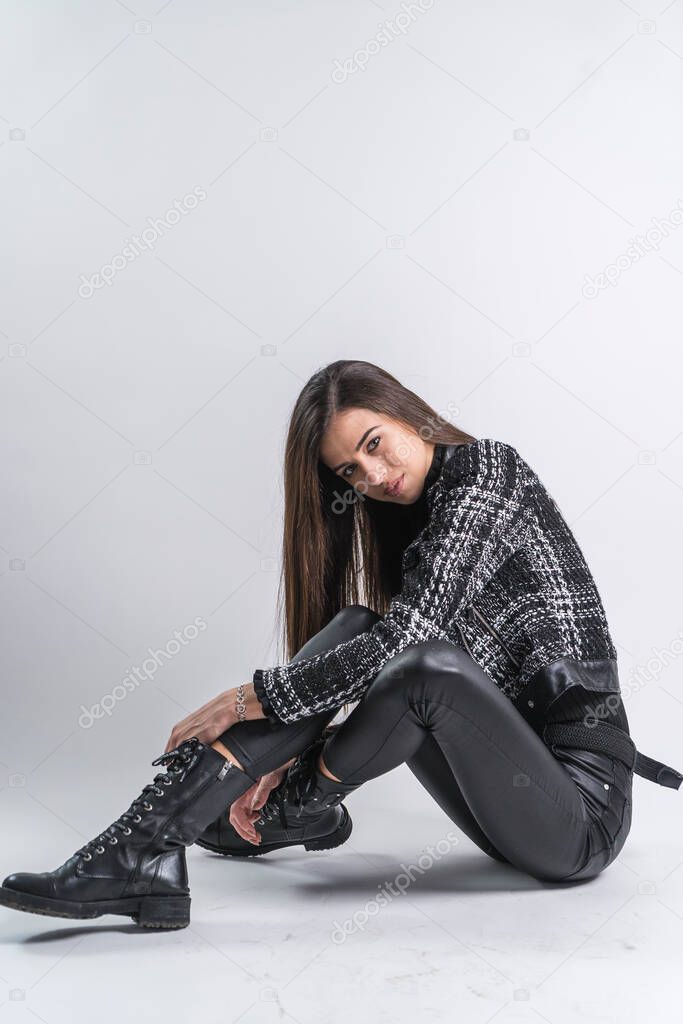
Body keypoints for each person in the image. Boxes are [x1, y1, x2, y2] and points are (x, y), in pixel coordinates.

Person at [1, 359, 680, 930]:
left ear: (407, 413)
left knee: (419, 660)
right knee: (362, 626)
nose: (372, 475)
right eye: (350, 472)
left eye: (374, 443)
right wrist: (285, 735)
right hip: (505, 799)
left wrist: (252, 701)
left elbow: (412, 650)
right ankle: (144, 849)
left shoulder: (486, 471)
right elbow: (383, 657)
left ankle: (298, 806)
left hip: (578, 816)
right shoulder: (413, 523)